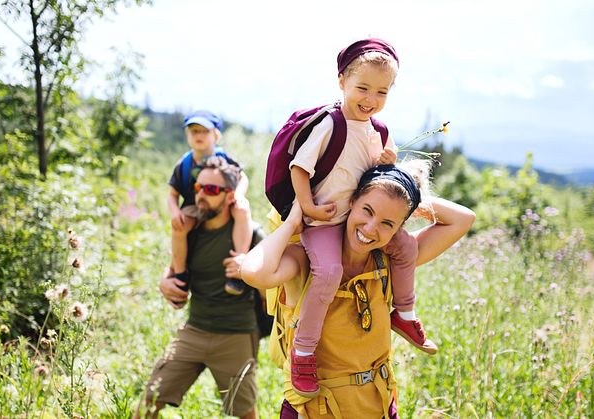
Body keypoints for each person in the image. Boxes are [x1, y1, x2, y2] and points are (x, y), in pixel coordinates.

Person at [240, 162, 475, 418]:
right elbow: (254, 272)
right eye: (367, 209)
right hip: (314, 411)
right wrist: (293, 221)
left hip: (378, 406)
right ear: (350, 201)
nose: (371, 229)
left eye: (388, 223)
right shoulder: (307, 261)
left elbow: (463, 219)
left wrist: (401, 195)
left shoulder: (389, 262)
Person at [284, 38, 434, 397]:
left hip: (357, 218)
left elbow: (384, 172)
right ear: (342, 83)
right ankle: (303, 351)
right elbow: (299, 168)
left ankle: (405, 313)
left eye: (381, 92)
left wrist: (387, 159)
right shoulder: (330, 125)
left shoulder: (378, 130)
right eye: (362, 88)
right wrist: (307, 208)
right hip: (324, 220)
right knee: (329, 272)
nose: (371, 99)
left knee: (406, 247)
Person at [136, 157, 261, 419]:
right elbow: (173, 269)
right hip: (194, 330)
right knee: (148, 401)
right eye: (198, 188)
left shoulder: (251, 234)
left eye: (212, 190)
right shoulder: (190, 230)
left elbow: (273, 281)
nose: (202, 195)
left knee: (245, 413)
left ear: (230, 196)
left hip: (236, 335)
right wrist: (164, 282)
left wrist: (249, 269)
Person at [168, 110, 252, 296]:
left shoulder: (224, 158)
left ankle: (238, 266)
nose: (199, 136)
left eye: (204, 131)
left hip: (223, 201)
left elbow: (242, 177)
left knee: (242, 210)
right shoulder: (184, 164)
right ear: (187, 135)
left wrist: (238, 194)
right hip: (193, 205)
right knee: (179, 227)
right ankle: (180, 274)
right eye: (194, 131)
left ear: (216, 135)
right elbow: (172, 193)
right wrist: (175, 212)